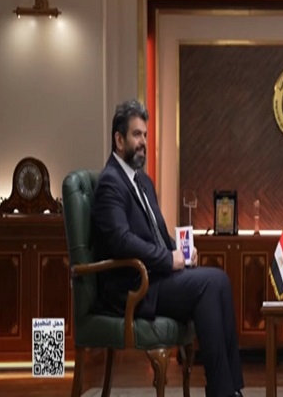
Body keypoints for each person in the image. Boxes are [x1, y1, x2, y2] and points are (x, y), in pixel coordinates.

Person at [92, 99, 244, 397]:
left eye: (145, 135)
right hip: (135, 286)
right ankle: (222, 392)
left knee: (220, 280)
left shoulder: (143, 182)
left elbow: (157, 234)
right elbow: (121, 241)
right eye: (136, 135)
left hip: (157, 277)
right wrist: (167, 259)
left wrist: (182, 252)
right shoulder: (111, 182)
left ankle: (230, 389)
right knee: (208, 285)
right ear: (119, 140)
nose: (143, 142)